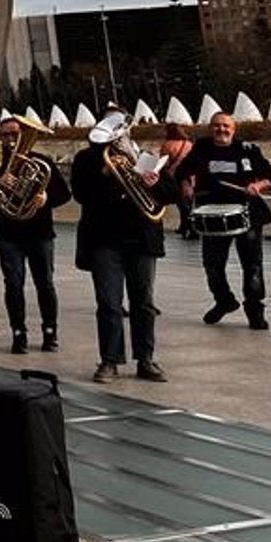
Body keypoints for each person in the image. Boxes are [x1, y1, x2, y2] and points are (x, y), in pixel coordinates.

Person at [71, 124, 171, 383]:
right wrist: (104, 173)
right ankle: (109, 360)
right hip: (105, 239)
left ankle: (145, 359)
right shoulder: (87, 159)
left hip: (141, 239)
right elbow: (80, 194)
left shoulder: (145, 157)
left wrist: (155, 183)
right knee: (108, 303)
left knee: (144, 303)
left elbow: (169, 194)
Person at [181, 113, 271, 330]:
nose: (221, 129)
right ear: (210, 128)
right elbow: (182, 172)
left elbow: (270, 176)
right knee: (212, 266)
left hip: (247, 212)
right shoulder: (201, 148)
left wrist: (258, 186)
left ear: (234, 129)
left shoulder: (248, 150)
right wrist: (186, 185)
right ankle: (224, 301)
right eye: (216, 126)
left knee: (252, 266)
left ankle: (255, 310)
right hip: (212, 213)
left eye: (226, 126)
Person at [0, 117, 71, 354]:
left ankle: (50, 332)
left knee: (44, 283)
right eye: (5, 135)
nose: (11, 139)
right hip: (8, 231)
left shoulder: (41, 161)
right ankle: (18, 333)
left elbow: (64, 194)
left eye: (16, 133)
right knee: (13, 284)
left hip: (39, 231)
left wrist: (45, 199)